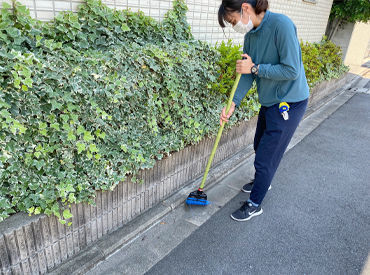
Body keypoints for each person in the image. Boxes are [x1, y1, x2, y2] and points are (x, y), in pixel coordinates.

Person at [218, 0, 309, 221]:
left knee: (267, 157)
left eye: (233, 20)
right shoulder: (251, 36)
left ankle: (255, 203)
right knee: (259, 145)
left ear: (245, 9)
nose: (234, 26)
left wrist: (256, 67)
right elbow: (247, 73)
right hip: (269, 101)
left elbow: (291, 70)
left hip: (290, 101)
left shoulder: (282, 25)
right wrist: (233, 102)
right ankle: (262, 182)